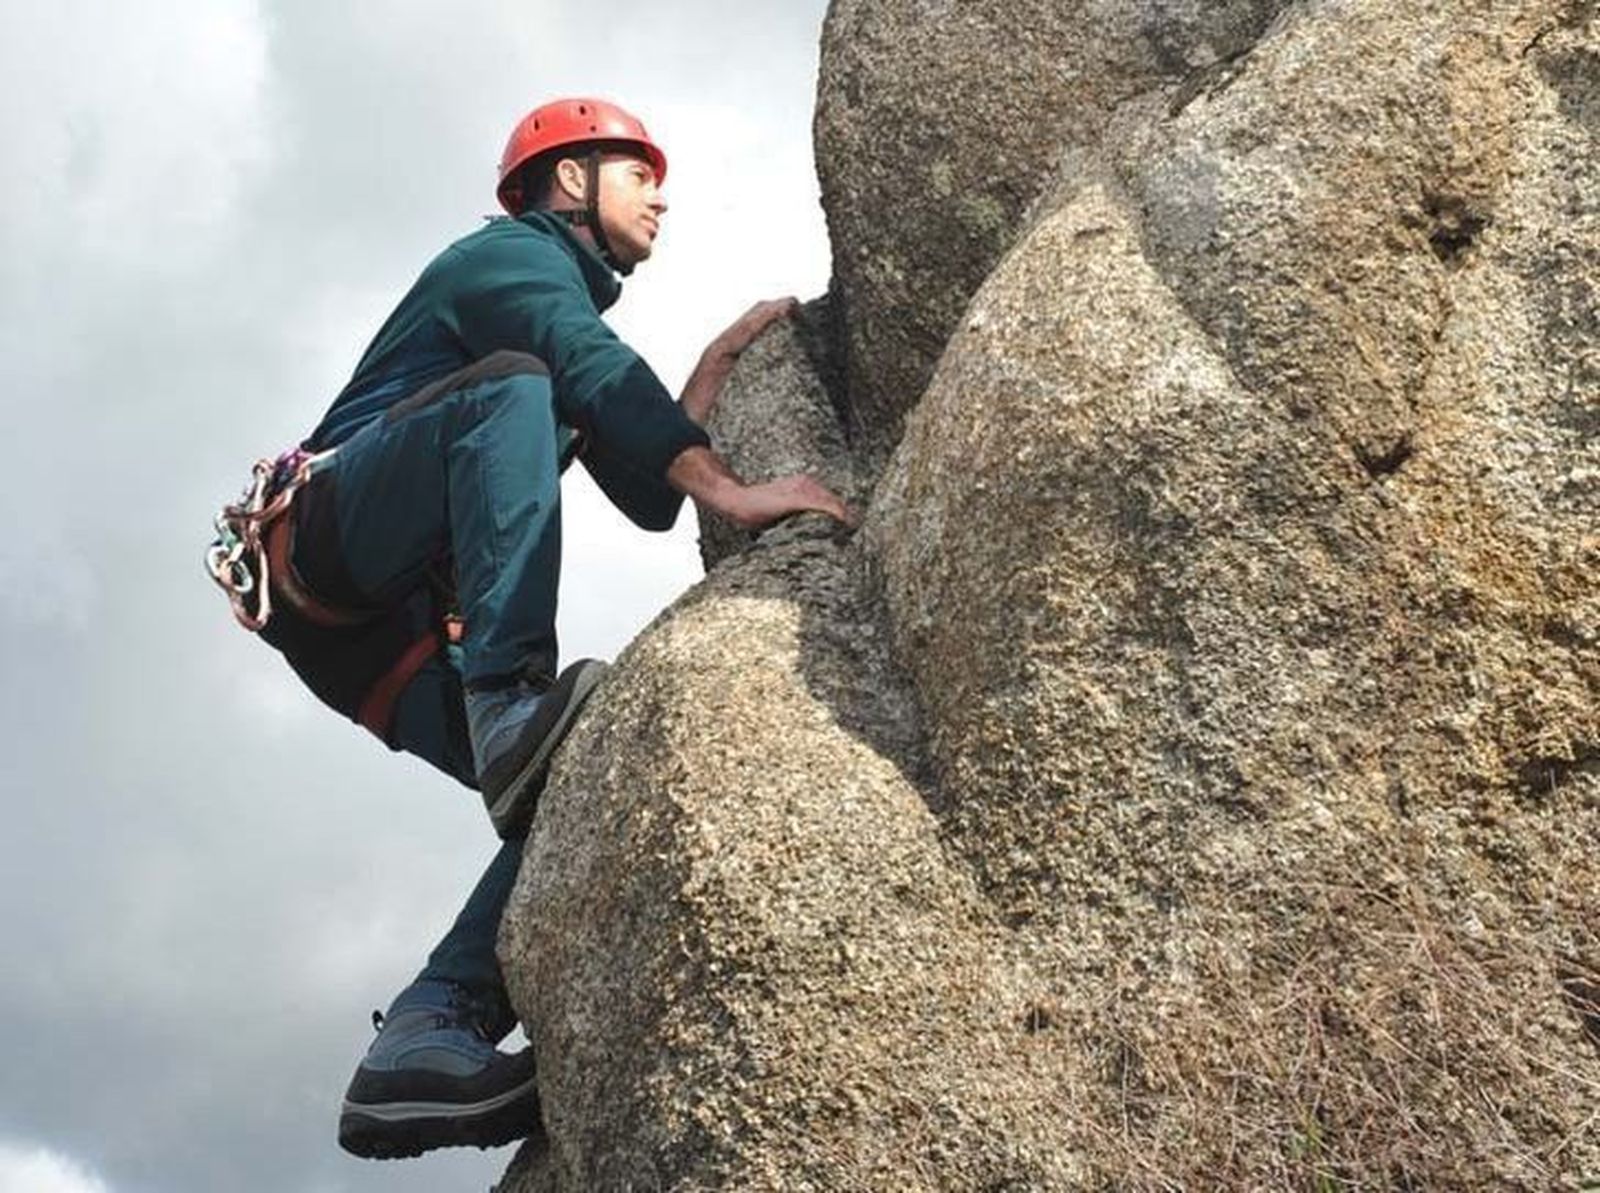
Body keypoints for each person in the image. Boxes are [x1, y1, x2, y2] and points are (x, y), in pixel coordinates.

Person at [209, 96, 853, 1161]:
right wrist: (734, 494)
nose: (659, 191)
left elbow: (645, 491)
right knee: (511, 393)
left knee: (583, 764)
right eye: (634, 169)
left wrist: (713, 374)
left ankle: (428, 1028)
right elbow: (582, 369)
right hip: (326, 538)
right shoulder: (503, 261)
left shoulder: (556, 328)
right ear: (568, 182)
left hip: (381, 647)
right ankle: (508, 703)